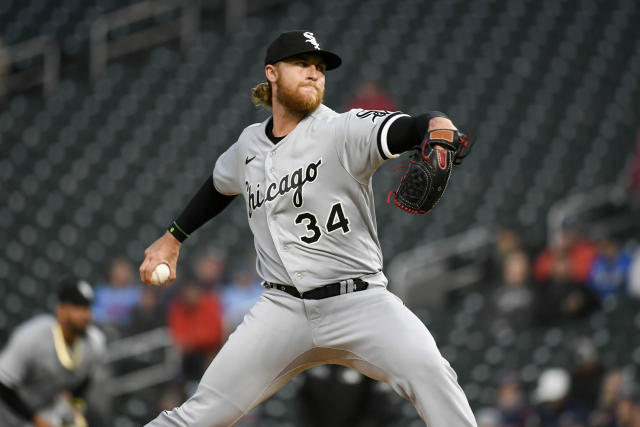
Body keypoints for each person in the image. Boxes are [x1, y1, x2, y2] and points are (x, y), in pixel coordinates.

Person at [139, 30, 476, 426]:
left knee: (431, 373)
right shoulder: (248, 145)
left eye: (319, 68)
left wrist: (438, 126)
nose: (314, 73)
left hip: (359, 301)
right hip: (282, 310)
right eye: (302, 64)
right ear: (272, 73)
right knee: (198, 415)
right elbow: (217, 186)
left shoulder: (342, 129)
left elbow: (412, 126)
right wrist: (172, 239)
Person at [0, 277, 107, 427]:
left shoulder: (94, 343)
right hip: (7, 416)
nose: (85, 315)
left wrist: (75, 405)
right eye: (78, 307)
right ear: (61, 310)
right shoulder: (33, 336)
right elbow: (4, 383)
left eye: (88, 307)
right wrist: (35, 419)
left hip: (46, 413)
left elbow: (84, 383)